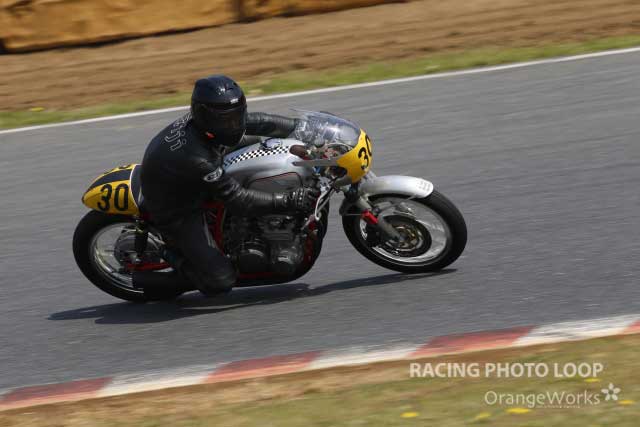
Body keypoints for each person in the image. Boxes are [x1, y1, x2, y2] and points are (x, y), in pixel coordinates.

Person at [134, 75, 318, 298]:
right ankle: (169, 260)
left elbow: (258, 121)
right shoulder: (198, 158)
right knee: (220, 280)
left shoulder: (211, 122)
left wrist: (302, 128)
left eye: (237, 115)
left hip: (192, 169)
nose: (234, 124)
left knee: (264, 145)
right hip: (177, 206)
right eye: (226, 120)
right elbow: (238, 200)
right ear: (203, 115)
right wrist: (286, 200)